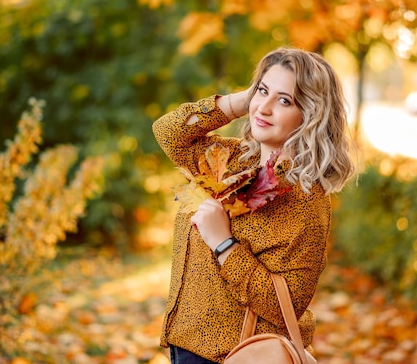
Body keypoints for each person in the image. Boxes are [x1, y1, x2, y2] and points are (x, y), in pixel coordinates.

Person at [152, 47, 356, 363]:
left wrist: (224, 245)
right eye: (263, 91)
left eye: (285, 100)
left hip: (238, 355)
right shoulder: (230, 161)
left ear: (310, 116)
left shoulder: (305, 200)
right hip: (186, 348)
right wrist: (239, 102)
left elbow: (287, 304)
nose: (265, 107)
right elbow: (169, 132)